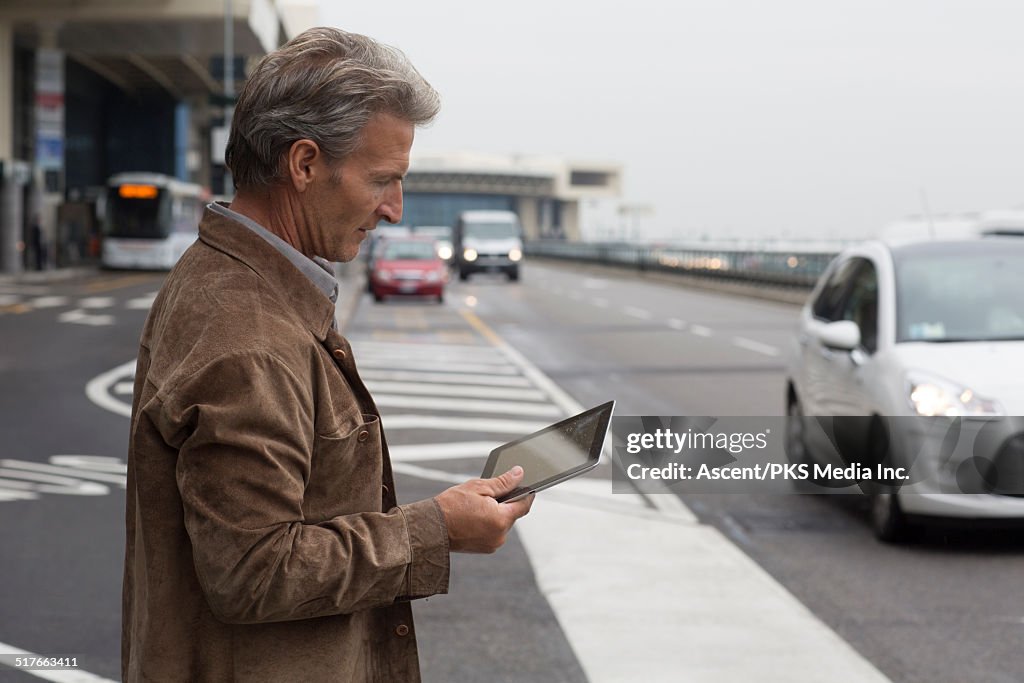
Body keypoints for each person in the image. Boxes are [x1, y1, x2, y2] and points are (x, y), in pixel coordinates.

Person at [122, 27, 534, 682]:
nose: (395, 210)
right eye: (383, 180)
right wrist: (438, 530)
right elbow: (254, 569)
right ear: (306, 163)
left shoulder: (226, 282)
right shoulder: (250, 338)